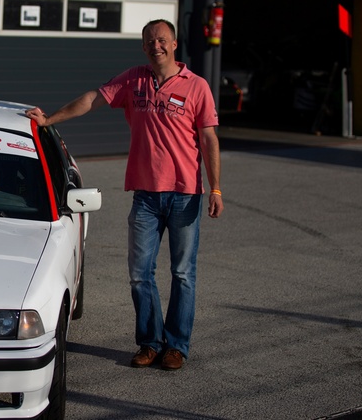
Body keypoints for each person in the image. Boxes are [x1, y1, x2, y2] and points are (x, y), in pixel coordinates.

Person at [25, 19, 223, 371]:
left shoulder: (197, 87)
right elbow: (92, 99)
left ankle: (176, 347)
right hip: (146, 196)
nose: (155, 45)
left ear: (175, 44)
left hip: (185, 195)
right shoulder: (133, 80)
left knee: (183, 273)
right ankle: (150, 342)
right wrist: (49, 120)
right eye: (149, 41)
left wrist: (216, 187)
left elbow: (208, 139)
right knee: (139, 273)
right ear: (143, 46)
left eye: (162, 40)